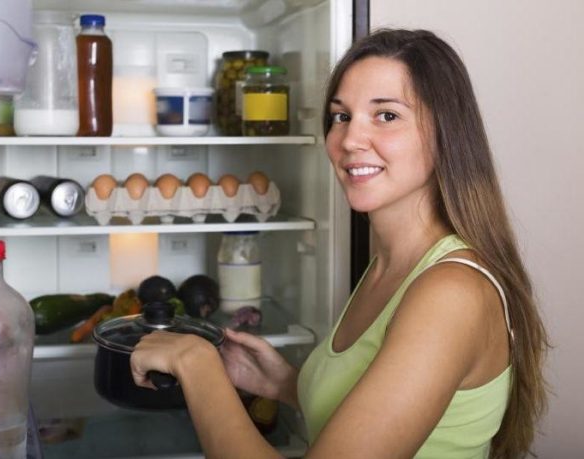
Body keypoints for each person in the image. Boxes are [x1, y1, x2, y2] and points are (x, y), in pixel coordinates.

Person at [130, 28, 549, 459]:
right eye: (341, 116)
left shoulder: (450, 293)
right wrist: (288, 385)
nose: (348, 140)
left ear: (446, 134)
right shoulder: (390, 265)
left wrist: (196, 365)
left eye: (386, 115)